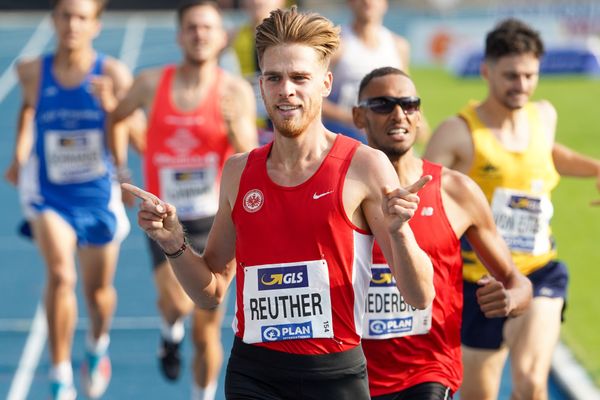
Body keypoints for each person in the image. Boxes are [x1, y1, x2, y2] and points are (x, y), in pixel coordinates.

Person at [123, 6, 435, 399]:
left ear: (325, 83)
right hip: (255, 374)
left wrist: (400, 232)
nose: (286, 89)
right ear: (261, 85)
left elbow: (420, 296)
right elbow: (211, 291)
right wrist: (173, 243)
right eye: (274, 77)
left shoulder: (364, 167)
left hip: (334, 374)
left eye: (300, 78)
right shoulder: (239, 171)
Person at [424, 18, 600, 400]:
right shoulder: (459, 132)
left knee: (531, 382)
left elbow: (548, 154)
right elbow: (422, 192)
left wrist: (597, 169)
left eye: (529, 75)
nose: (521, 85)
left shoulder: (544, 116)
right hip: (480, 284)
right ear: (486, 71)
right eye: (510, 76)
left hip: (539, 271)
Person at [352, 66, 532, 399]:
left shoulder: (456, 191)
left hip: (428, 371)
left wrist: (509, 300)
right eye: (382, 104)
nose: (398, 115)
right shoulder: (337, 192)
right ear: (358, 116)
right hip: (349, 373)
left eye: (409, 104)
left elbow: (516, 280)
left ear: (419, 116)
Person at [109, 1, 257, 399]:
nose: (199, 34)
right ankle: (170, 330)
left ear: (221, 36)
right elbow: (115, 117)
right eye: (192, 27)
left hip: (215, 218)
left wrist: (232, 127)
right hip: (163, 217)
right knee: (175, 301)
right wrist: (121, 174)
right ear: (179, 35)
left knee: (208, 316)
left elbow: (251, 158)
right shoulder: (150, 83)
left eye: (208, 27)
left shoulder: (234, 91)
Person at [3, 0, 137, 399]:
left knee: (98, 295)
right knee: (61, 275)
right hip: (50, 194)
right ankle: (60, 372)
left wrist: (113, 107)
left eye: (82, 18)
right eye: (65, 16)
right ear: (53, 21)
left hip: (98, 196)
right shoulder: (30, 72)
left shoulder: (112, 73)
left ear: (95, 26)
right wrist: (19, 154)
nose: (72, 25)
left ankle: (97, 347)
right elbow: (27, 110)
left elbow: (142, 136)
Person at [322, 0, 410, 143]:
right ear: (349, 3)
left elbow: (407, 92)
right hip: (344, 137)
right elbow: (314, 98)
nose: (368, 1)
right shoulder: (336, 45)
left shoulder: (399, 45)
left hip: (388, 136)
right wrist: (355, 118)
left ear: (385, 3)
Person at [229, 0, 285, 145]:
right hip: (253, 124)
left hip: (286, 119)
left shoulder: (296, 36)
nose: (256, 1)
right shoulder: (234, 36)